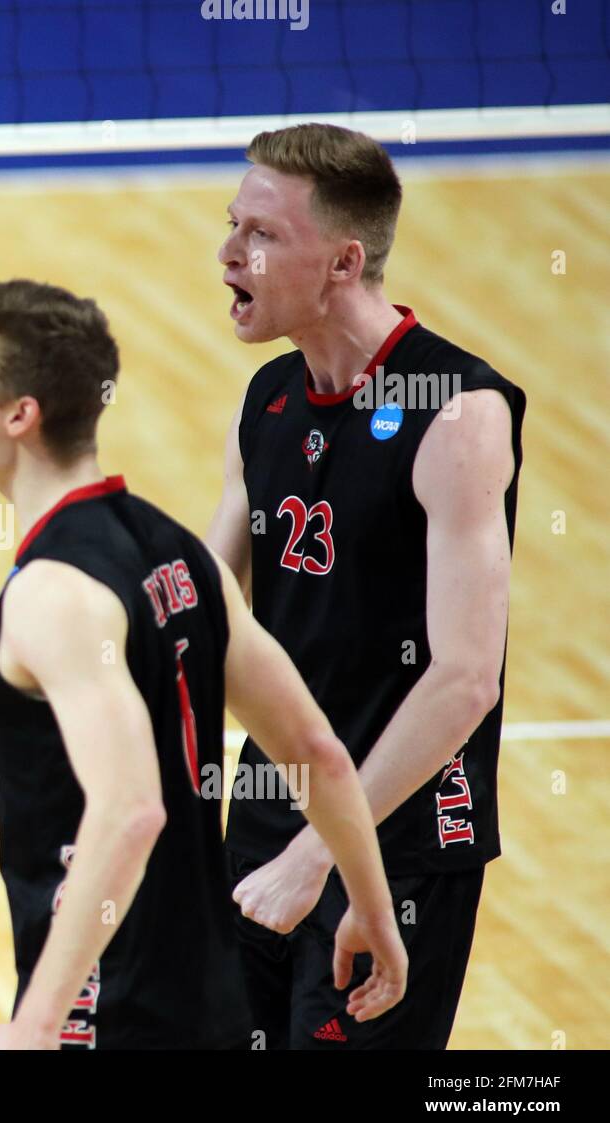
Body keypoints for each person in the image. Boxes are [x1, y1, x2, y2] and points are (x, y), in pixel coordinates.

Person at [0, 279, 406, 1049]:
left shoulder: (53, 592)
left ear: (20, 415)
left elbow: (130, 810)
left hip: (107, 1009)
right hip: (212, 1002)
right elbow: (316, 752)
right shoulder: (180, 553)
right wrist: (373, 909)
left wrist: (37, 1025)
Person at [208, 122, 525, 1048]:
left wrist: (323, 856)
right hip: (270, 809)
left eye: (261, 235)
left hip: (404, 838)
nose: (229, 252)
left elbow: (467, 678)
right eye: (232, 224)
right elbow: (200, 609)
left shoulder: (458, 412)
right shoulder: (267, 399)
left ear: (344, 261)